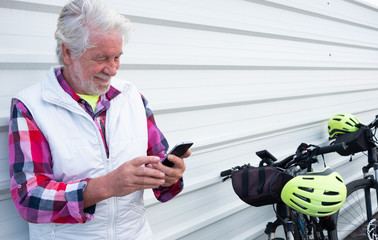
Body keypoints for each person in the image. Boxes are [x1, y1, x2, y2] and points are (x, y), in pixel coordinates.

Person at [8, 0, 190, 239]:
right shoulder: (31, 106)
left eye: (117, 57)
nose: (113, 69)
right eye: (101, 58)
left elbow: (157, 160)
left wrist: (169, 176)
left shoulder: (132, 97)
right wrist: (105, 186)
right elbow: (29, 198)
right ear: (68, 52)